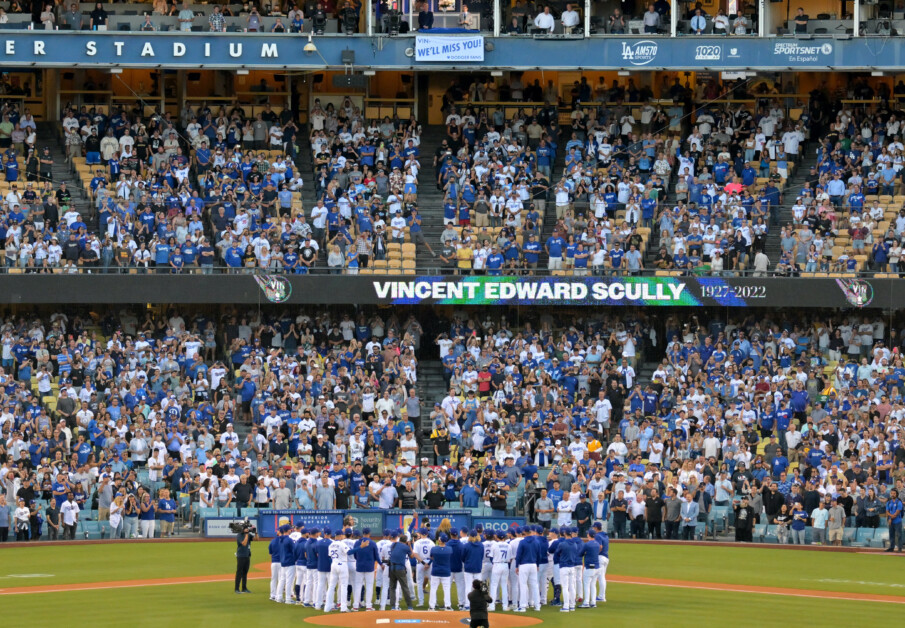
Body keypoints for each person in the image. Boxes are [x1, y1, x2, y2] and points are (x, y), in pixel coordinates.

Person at [388, 533, 419, 610]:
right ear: (406, 541)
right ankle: (410, 606)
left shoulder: (393, 545)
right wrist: (409, 546)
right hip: (400, 568)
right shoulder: (406, 547)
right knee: (405, 587)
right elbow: (412, 556)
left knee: (392, 587)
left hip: (391, 568)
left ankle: (393, 606)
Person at [429, 533, 454, 610]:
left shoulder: (434, 549)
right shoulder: (449, 549)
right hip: (446, 572)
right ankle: (448, 606)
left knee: (433, 589)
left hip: (436, 571)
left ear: (439, 540)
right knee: (446, 589)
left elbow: (431, 557)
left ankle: (431, 606)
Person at [235, 520, 255, 594]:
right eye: (245, 528)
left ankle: (244, 588)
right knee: (239, 572)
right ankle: (236, 588)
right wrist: (247, 534)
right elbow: (244, 543)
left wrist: (255, 532)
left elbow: (257, 539)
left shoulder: (248, 535)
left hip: (247, 555)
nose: (246, 529)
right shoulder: (239, 535)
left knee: (245, 572)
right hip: (241, 555)